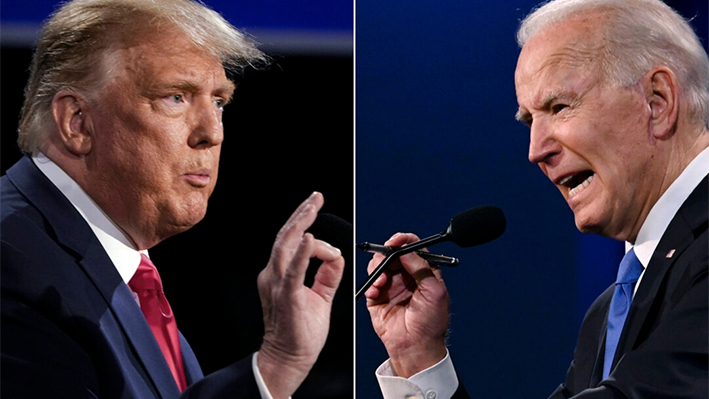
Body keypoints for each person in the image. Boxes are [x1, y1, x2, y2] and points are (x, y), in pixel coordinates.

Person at [0, 0, 347, 398]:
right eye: (176, 97)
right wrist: (275, 365)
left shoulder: (111, 265)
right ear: (77, 122)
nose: (212, 133)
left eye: (218, 102)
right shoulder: (13, 263)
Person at [364, 0, 708, 398]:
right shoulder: (609, 312)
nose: (535, 150)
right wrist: (418, 359)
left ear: (657, 101)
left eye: (559, 107)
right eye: (530, 120)